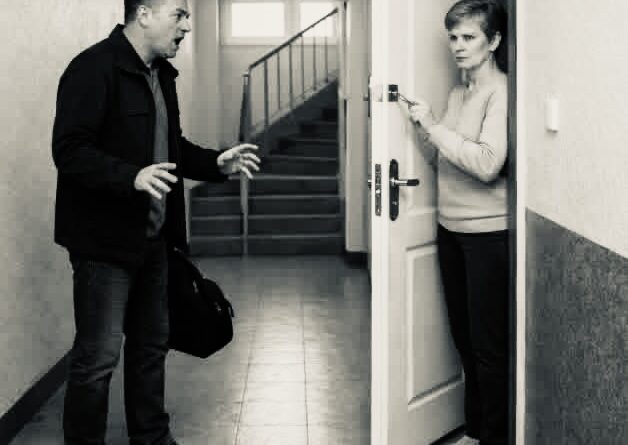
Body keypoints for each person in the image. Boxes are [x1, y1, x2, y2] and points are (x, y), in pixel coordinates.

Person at [51, 0, 260, 443]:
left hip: (155, 241)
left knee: (150, 347)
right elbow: (69, 150)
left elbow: (171, 147)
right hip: (104, 246)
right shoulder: (93, 68)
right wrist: (130, 176)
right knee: (98, 358)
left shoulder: (161, 75)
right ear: (144, 14)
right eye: (178, 14)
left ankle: (152, 438)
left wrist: (214, 163)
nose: (186, 26)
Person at [407, 1, 509, 444]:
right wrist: (422, 128)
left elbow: (487, 164)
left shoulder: (502, 92)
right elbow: (443, 161)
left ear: (494, 41)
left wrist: (434, 126)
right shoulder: (456, 95)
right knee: (465, 341)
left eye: (469, 37)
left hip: (487, 236)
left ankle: (493, 437)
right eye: (453, 37)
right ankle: (474, 431)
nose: (458, 46)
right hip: (450, 230)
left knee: (488, 348)